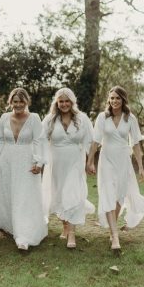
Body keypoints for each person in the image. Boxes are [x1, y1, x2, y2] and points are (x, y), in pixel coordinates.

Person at [86, 86, 144, 253]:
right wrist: (90, 162)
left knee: (119, 196)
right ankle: (115, 236)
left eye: (117, 98)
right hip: (107, 158)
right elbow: (95, 141)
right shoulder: (103, 117)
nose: (114, 101)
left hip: (124, 159)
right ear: (108, 100)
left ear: (123, 100)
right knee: (108, 192)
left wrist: (140, 166)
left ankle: (112, 228)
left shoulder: (130, 118)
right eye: (112, 98)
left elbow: (136, 143)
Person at [0, 88, 47, 251]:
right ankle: (6, 227)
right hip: (7, 161)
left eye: (21, 101)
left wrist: (38, 162)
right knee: (7, 193)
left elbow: (39, 141)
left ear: (27, 102)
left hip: (26, 160)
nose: (18, 105)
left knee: (25, 196)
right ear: (11, 102)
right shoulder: (4, 118)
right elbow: (0, 140)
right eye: (15, 101)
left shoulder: (34, 118)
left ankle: (24, 235)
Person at [42, 88, 95, 249]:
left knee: (72, 193)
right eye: (61, 101)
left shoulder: (82, 119)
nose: (64, 104)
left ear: (72, 102)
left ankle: (71, 234)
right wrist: (40, 161)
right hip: (56, 163)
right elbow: (40, 140)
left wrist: (90, 162)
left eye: (67, 101)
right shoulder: (50, 120)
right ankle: (65, 226)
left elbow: (92, 141)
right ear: (57, 103)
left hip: (75, 161)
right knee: (59, 195)